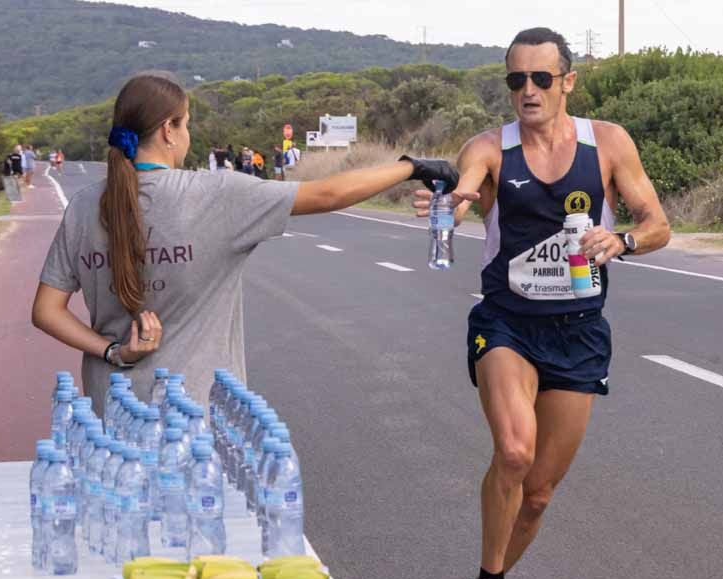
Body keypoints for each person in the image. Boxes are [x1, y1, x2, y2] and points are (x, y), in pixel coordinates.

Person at [413, 28, 670, 579]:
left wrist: (624, 240)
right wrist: (452, 204)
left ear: (567, 82)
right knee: (514, 451)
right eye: (515, 80)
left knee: (538, 494)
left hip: (579, 331)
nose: (527, 91)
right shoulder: (490, 147)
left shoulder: (606, 143)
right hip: (507, 323)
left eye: (541, 79)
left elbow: (657, 223)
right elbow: (469, 188)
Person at [31, 75, 456, 411]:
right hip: (195, 421)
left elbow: (46, 312)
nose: (189, 135)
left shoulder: (85, 206)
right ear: (169, 130)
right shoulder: (215, 193)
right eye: (187, 124)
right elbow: (328, 194)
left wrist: (114, 352)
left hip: (112, 416)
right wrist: (409, 167)